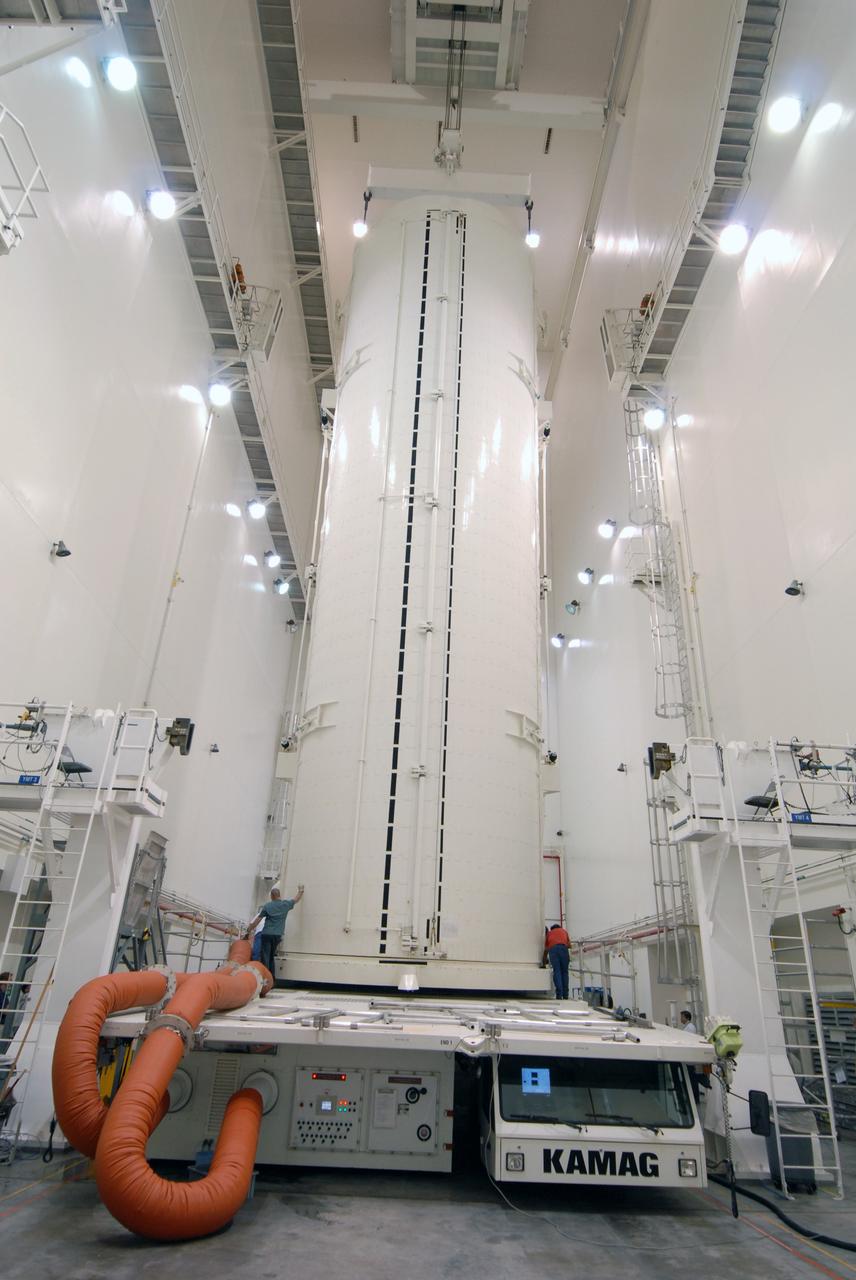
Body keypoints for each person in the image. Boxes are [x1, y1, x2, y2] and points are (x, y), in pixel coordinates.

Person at [246, 886, 303, 976]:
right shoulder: (285, 904)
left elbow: (258, 920)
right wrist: (301, 891)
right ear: (279, 895)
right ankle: (272, 978)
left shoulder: (267, 906)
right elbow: (296, 899)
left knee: (265, 956)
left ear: (272, 896)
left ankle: (265, 978)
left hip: (266, 934)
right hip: (277, 935)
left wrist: (249, 930)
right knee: (271, 957)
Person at [543, 923, 571, 1000]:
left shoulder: (549, 933)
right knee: (565, 972)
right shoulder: (564, 931)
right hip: (563, 949)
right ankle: (566, 995)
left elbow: (546, 949)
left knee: (557, 971)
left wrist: (544, 961)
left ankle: (559, 994)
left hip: (553, 950)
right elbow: (569, 945)